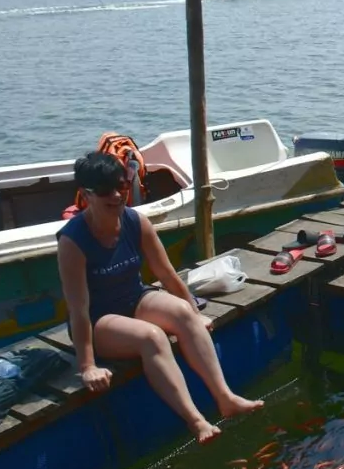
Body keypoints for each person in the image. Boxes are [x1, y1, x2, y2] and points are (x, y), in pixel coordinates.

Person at [57, 152, 263, 445]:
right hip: (97, 320)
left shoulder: (135, 222)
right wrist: (88, 366)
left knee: (182, 311)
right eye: (106, 191)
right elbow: (78, 309)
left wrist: (193, 312)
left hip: (134, 298)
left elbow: (167, 275)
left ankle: (225, 397)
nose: (117, 196)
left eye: (122, 187)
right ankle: (196, 421)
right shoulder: (72, 242)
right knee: (152, 337)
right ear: (86, 194)